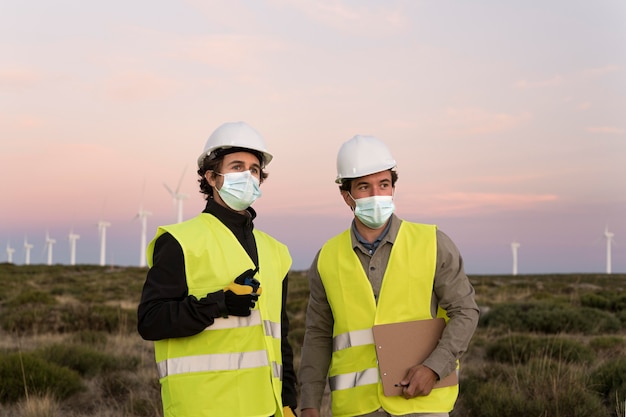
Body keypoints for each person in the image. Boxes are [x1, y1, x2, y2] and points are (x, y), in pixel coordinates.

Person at [298, 135, 479, 417]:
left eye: (383, 185)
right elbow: (318, 335)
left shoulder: (433, 242)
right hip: (357, 408)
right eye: (364, 187)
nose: (376, 195)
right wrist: (309, 402)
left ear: (393, 187)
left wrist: (434, 367)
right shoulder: (326, 258)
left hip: (421, 403)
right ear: (346, 196)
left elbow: (466, 311)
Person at [137, 121, 298, 417]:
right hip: (203, 407)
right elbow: (150, 321)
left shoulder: (277, 252)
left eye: (253, 169)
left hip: (266, 408)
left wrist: (288, 400)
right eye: (237, 167)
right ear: (212, 177)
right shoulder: (180, 242)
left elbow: (280, 336)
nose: (248, 176)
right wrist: (219, 303)